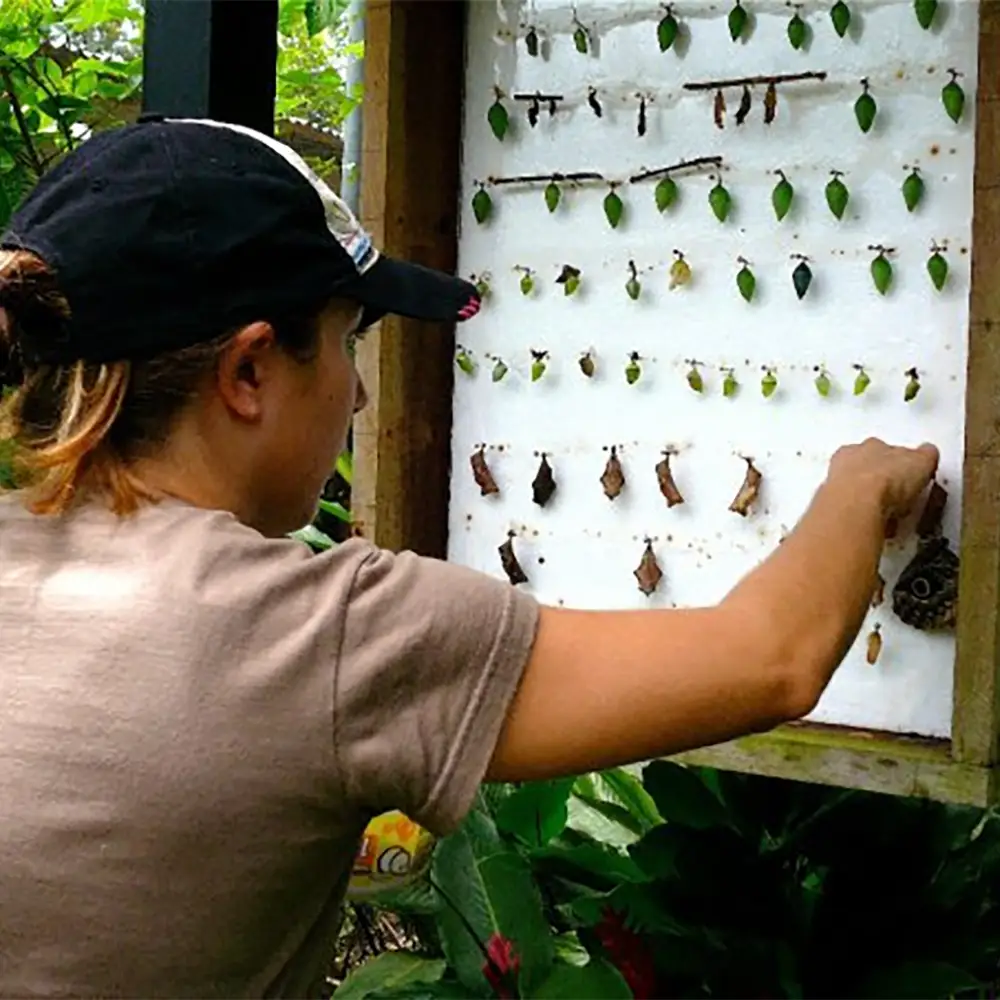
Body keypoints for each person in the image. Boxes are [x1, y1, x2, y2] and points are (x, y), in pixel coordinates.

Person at [0, 116, 938, 998]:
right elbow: (770, 658)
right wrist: (862, 486)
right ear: (249, 372)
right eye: (343, 342)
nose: (359, 396)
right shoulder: (323, 632)